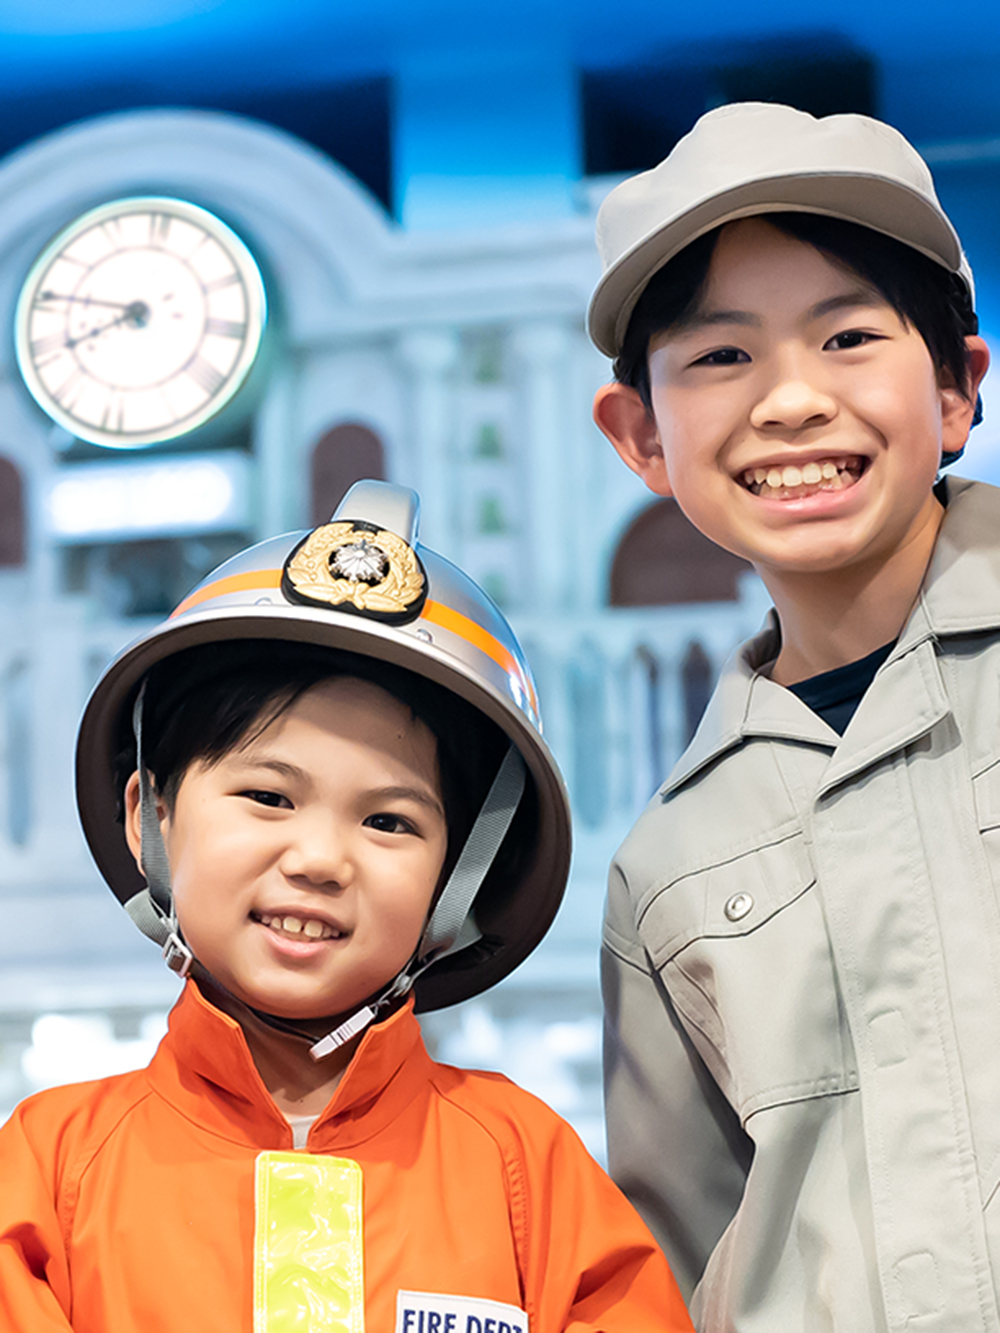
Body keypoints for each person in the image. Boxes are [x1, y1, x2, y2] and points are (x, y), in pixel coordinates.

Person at [0, 480, 694, 1333]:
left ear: (459, 877)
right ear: (152, 818)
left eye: (388, 820)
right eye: (268, 796)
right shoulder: (45, 1174)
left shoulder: (532, 1170)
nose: (321, 860)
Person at [589, 101, 1000, 1332]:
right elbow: (678, 1260)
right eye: (721, 356)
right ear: (641, 435)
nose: (790, 400)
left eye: (847, 336)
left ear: (956, 388)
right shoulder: (666, 865)